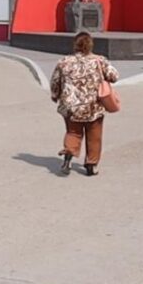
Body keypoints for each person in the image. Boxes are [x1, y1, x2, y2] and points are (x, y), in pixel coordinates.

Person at [50, 32, 120, 176]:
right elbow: (114, 77)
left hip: (71, 106)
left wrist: (55, 95)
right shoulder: (99, 61)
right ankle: (91, 165)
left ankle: (69, 155)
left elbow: (55, 81)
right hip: (93, 106)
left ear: (75, 45)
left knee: (73, 132)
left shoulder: (64, 61)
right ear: (90, 45)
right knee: (94, 135)